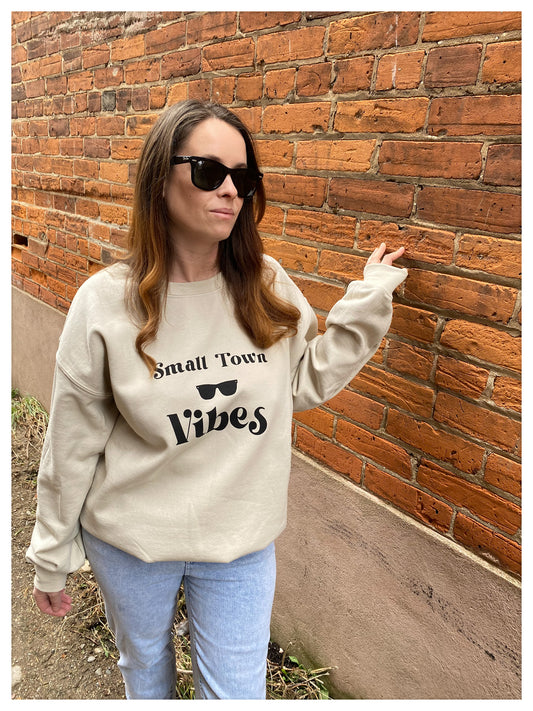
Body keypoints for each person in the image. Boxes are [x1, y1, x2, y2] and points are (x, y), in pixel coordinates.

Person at [26, 99, 407, 700]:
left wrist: (369, 299)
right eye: (209, 171)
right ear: (161, 178)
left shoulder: (266, 284)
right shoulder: (105, 303)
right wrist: (51, 554)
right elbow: (70, 444)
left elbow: (304, 379)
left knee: (236, 693)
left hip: (239, 542)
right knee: (145, 671)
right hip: (133, 541)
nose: (230, 190)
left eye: (244, 177)